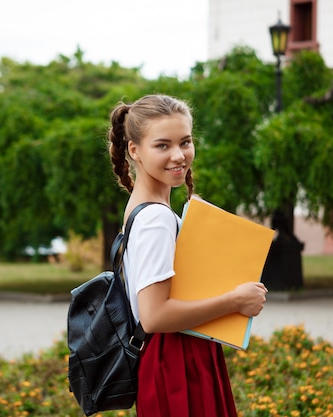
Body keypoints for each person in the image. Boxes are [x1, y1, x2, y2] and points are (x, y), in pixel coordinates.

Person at [107, 94, 268, 417]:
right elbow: (155, 316)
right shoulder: (156, 219)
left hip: (174, 355)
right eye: (163, 145)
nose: (179, 155)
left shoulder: (145, 208)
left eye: (186, 142)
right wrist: (235, 301)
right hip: (176, 360)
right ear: (134, 150)